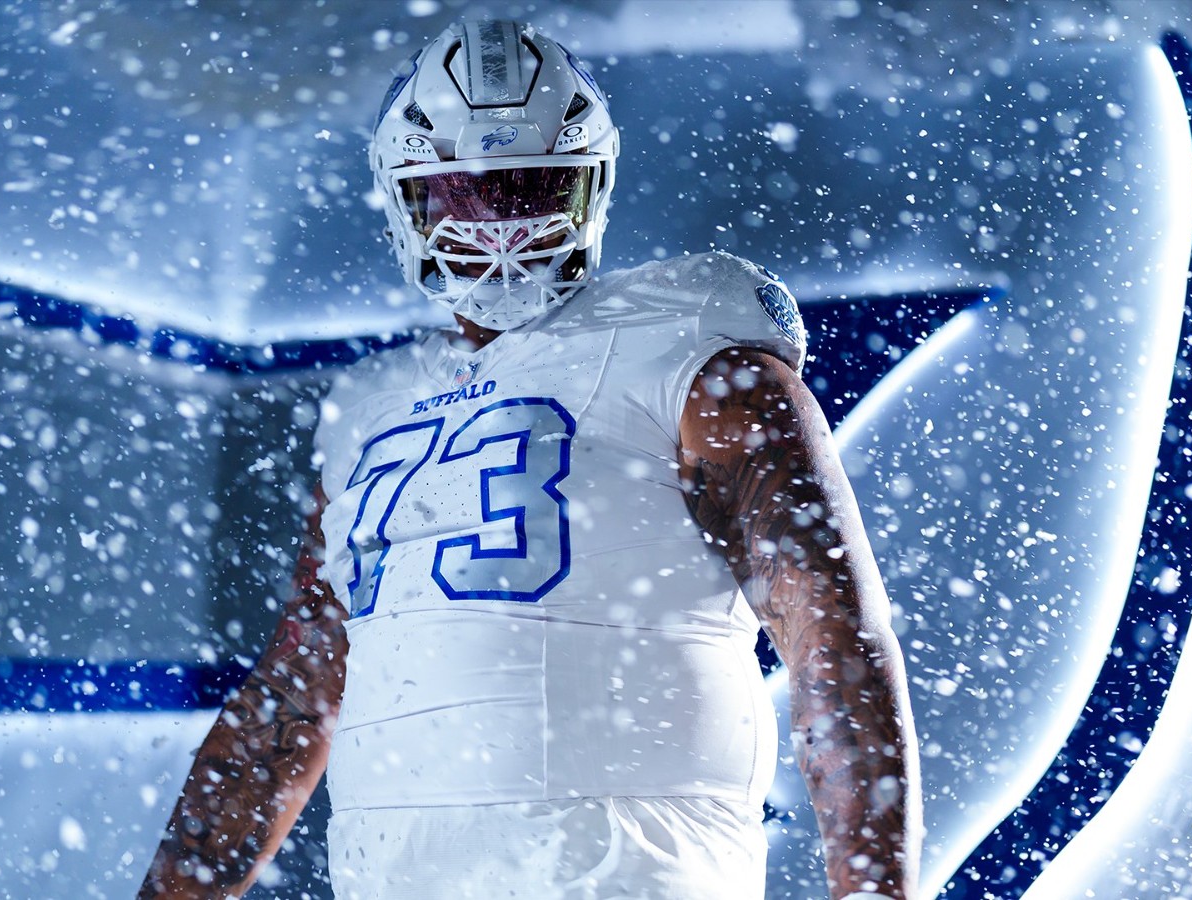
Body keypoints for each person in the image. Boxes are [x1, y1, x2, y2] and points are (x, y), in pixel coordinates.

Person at [141, 19, 921, 900]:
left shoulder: (698, 357)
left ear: (591, 184)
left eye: (531, 189)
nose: (503, 231)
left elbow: (835, 646)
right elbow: (287, 707)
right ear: (404, 199)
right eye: (465, 195)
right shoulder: (371, 412)